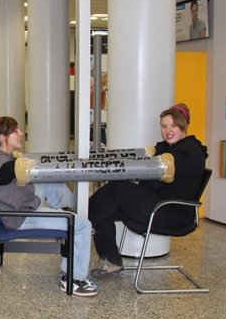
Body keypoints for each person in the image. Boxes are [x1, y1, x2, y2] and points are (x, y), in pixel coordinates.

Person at [0, 116, 98, 297]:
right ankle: (73, 279)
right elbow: (8, 172)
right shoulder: (4, 165)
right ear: (3, 138)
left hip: (18, 206)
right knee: (83, 226)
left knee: (52, 184)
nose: (21, 133)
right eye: (15, 130)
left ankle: (68, 215)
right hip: (20, 216)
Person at [88, 103, 208, 277]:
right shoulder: (166, 147)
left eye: (173, 125)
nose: (168, 130)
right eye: (164, 126)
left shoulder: (190, 151)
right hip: (157, 203)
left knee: (117, 188)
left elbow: (157, 172)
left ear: (183, 127)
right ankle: (110, 257)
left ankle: (82, 222)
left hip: (171, 212)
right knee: (105, 207)